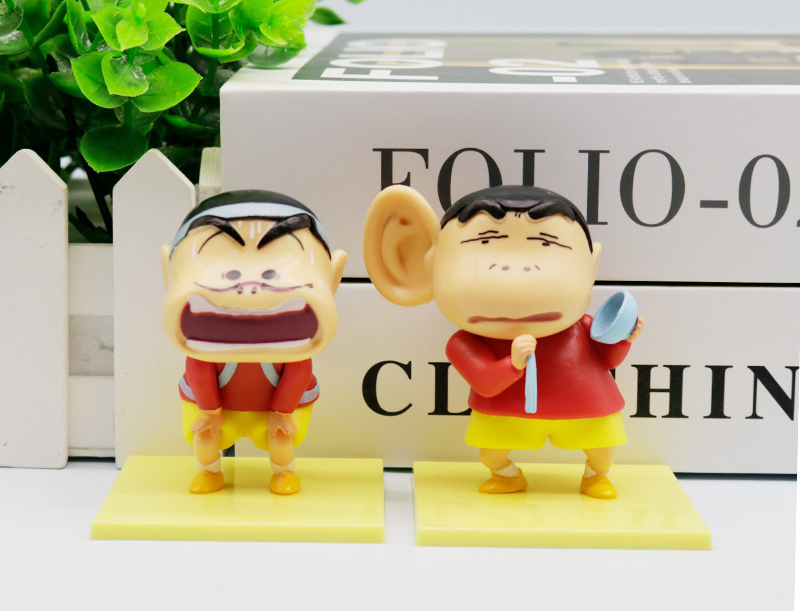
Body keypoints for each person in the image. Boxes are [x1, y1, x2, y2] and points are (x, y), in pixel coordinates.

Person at [363, 184, 642, 498]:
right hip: (507, 410)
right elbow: (485, 383)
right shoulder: (464, 344)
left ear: (591, 267)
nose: (517, 273)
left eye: (546, 244)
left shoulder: (582, 327)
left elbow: (607, 359)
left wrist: (623, 338)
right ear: (429, 265)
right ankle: (507, 476)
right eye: (484, 242)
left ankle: (596, 477)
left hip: (585, 405)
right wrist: (512, 364)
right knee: (491, 455)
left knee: (602, 451)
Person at [162, 190, 347, 495]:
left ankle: (284, 473)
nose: (249, 285)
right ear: (168, 273)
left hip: (277, 409)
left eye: (273, 270)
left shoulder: (292, 347)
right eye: (227, 270)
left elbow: (298, 371)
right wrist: (210, 412)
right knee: (204, 441)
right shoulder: (206, 346)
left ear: (334, 276)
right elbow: (198, 369)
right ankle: (209, 472)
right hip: (217, 409)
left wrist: (282, 411)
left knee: (281, 441)